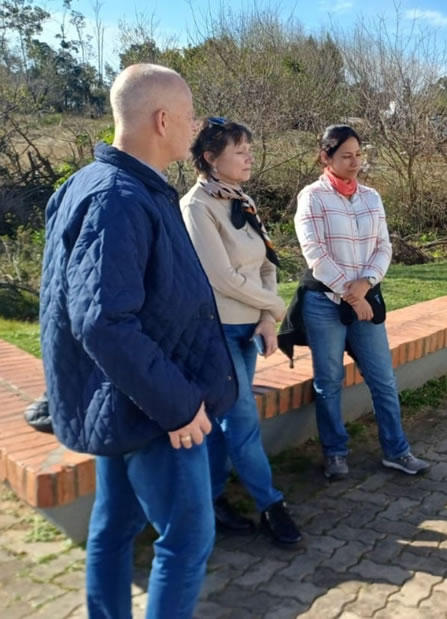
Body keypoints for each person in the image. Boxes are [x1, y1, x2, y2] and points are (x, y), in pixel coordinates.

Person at [39, 64, 238, 619]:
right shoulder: (118, 197)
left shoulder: (106, 185)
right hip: (155, 410)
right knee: (186, 541)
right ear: (162, 119)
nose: (196, 126)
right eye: (191, 115)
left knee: (115, 527)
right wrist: (179, 406)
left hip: (124, 399)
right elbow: (101, 320)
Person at [180, 117, 302, 547]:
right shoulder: (196, 207)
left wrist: (267, 317)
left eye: (249, 149)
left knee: (223, 419)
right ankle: (271, 504)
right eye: (239, 151)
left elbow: (268, 262)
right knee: (242, 420)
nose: (249, 157)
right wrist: (276, 305)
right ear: (210, 158)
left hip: (250, 329)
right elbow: (221, 278)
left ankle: (213, 499)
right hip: (218, 332)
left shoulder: (240, 199)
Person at [291, 124, 429, 480]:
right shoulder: (312, 197)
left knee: (383, 379)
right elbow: (314, 254)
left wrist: (366, 284)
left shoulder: (371, 197)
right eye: (346, 156)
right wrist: (350, 294)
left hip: (366, 297)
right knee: (329, 381)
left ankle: (397, 451)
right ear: (326, 157)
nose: (355, 163)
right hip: (324, 303)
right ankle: (335, 453)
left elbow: (384, 246)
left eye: (358, 156)